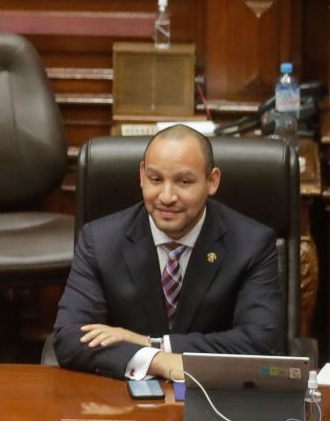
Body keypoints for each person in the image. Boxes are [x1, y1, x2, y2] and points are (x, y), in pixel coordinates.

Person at [52, 125, 282, 381]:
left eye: (184, 182)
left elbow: (261, 341)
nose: (167, 196)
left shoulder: (252, 244)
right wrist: (158, 360)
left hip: (215, 401)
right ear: (141, 175)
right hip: (123, 400)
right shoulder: (100, 240)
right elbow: (70, 338)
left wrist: (152, 343)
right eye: (156, 179)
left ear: (212, 181)